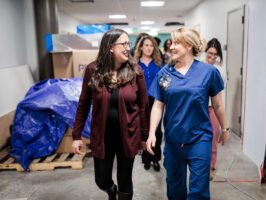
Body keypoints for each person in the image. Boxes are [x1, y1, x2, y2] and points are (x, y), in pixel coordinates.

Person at [146, 28, 229, 200]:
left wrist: (225, 128)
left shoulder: (208, 72)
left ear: (189, 46)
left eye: (176, 43)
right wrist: (152, 132)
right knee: (175, 189)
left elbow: (218, 105)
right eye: (172, 43)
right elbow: (158, 105)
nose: (171, 47)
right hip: (173, 139)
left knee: (198, 191)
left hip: (200, 138)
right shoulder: (165, 74)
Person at [72, 29, 150, 200]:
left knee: (125, 179)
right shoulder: (93, 70)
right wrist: (76, 135)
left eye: (129, 43)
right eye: (124, 44)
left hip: (128, 134)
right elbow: (84, 103)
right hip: (102, 136)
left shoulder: (135, 71)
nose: (127, 47)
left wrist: (144, 136)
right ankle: (111, 190)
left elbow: (143, 106)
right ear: (110, 47)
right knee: (101, 179)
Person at [133, 35, 163, 171]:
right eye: (146, 45)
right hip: (140, 102)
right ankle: (146, 158)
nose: (149, 48)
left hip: (156, 101)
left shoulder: (158, 65)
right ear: (140, 47)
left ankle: (156, 159)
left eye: (151, 45)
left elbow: (164, 83)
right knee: (144, 131)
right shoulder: (134, 65)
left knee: (156, 131)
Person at [204, 38, 227, 180]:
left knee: (213, 139)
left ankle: (211, 167)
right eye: (209, 53)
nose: (212, 57)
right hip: (200, 108)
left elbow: (220, 96)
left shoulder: (220, 70)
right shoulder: (199, 66)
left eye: (215, 54)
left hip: (213, 108)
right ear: (205, 52)